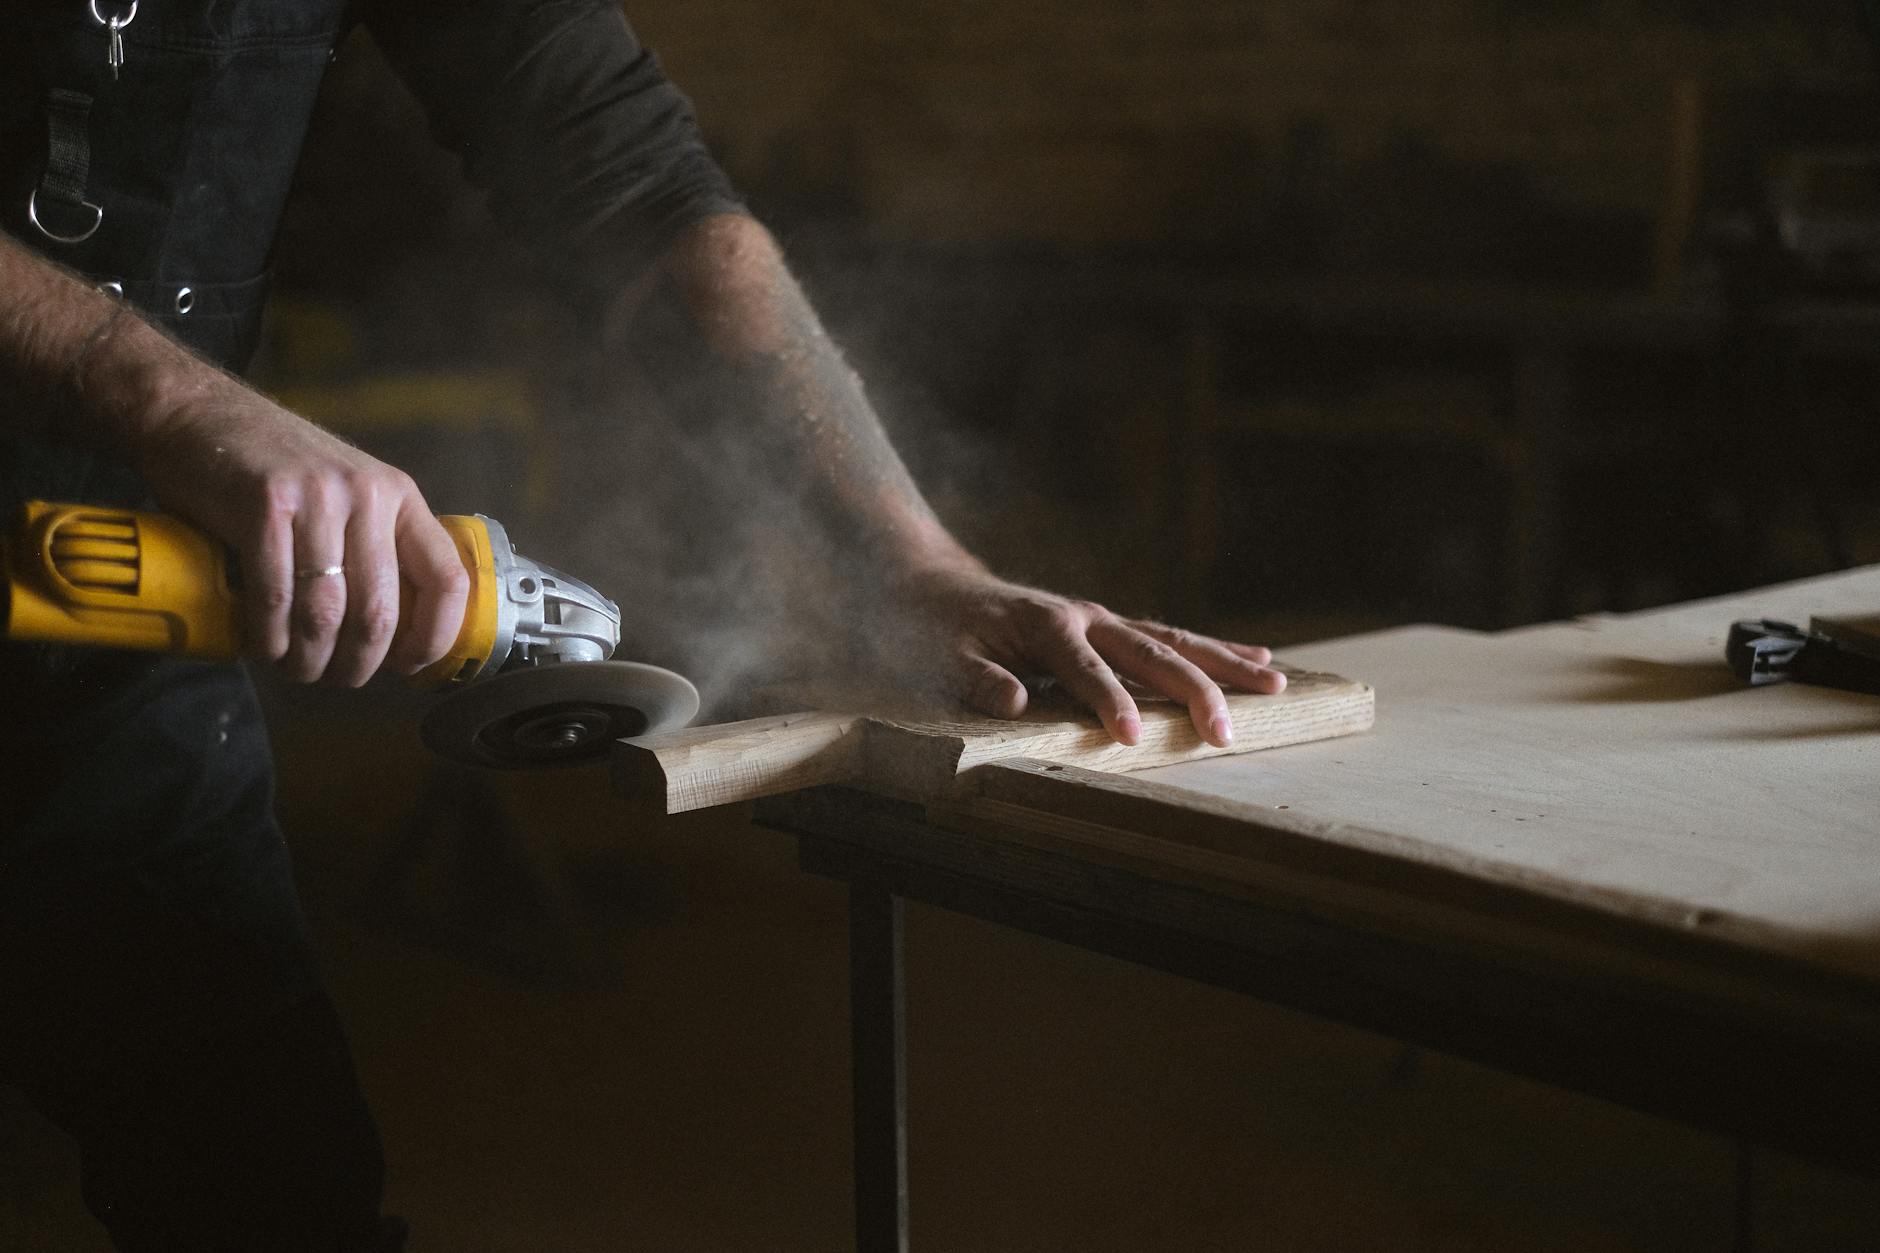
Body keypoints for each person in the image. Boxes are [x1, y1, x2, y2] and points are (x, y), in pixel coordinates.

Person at [0, 2, 1285, 1248]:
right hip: (113, 506)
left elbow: (628, 184)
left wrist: (909, 559)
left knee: (268, 1189)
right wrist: (159, 395)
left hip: (116, 639)